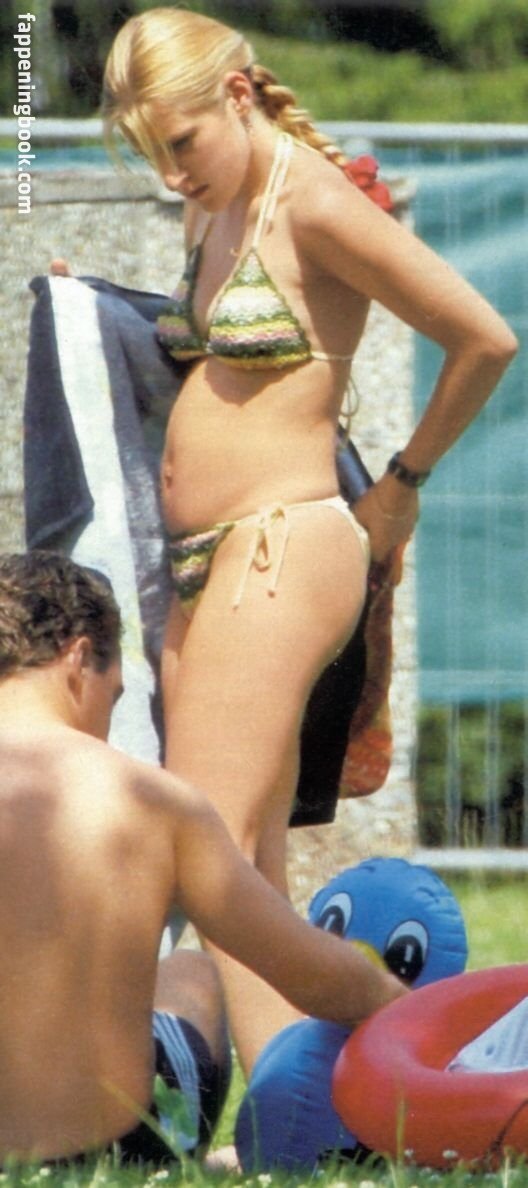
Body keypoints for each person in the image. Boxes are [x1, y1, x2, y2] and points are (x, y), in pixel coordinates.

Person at [54, 5, 518, 1078]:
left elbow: (484, 337)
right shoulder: (216, 206)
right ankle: (291, 1110)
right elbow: (216, 373)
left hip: (282, 547)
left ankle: (419, 1055)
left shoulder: (310, 198)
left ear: (237, 92)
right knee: (245, 862)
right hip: (208, 563)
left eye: (182, 142)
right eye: (150, 151)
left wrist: (401, 484)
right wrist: (91, 313)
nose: (172, 172)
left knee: (201, 848)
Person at [0, 550, 404, 1166]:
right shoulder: (149, 799)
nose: (106, 724)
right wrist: (408, 1006)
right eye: (113, 697)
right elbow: (312, 976)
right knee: (192, 975)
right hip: (105, 1150)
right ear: (78, 659)